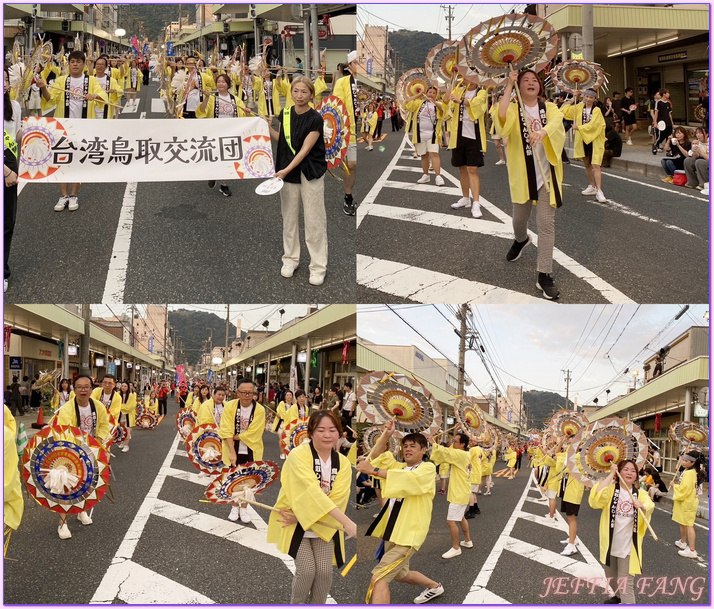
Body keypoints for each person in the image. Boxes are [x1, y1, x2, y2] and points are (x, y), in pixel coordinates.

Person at [266, 410, 356, 604]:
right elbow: (308, 492)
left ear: (339, 433)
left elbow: (338, 499)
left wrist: (303, 515)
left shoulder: (343, 463)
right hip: (295, 523)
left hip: (323, 526)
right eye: (321, 429)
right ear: (311, 432)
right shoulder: (298, 456)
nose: (327, 435)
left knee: (324, 573)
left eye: (332, 430)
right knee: (306, 571)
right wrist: (346, 522)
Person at [495, 70, 565, 301]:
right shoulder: (515, 108)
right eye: (525, 80)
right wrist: (509, 84)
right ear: (520, 86)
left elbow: (557, 123)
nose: (531, 83)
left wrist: (542, 132)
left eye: (534, 80)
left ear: (540, 87)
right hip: (523, 175)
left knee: (546, 225)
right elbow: (502, 116)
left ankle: (544, 274)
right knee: (519, 219)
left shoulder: (549, 109)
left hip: (546, 176)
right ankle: (521, 239)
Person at [357, 420, 442, 604]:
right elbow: (376, 456)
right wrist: (386, 435)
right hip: (393, 532)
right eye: (405, 446)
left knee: (379, 578)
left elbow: (409, 479)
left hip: (408, 535)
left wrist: (374, 470)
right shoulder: (399, 467)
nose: (408, 449)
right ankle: (435, 587)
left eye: (413, 446)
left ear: (423, 450)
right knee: (400, 574)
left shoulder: (427, 469)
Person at [267, 75, 328, 287]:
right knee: (289, 219)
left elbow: (304, 150)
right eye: (295, 91)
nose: (299, 95)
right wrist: (267, 128)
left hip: (309, 171)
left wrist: (284, 171)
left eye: (304, 91)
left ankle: (318, 266)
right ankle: (290, 259)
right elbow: (283, 141)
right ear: (290, 93)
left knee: (314, 221)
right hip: (287, 171)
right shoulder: (285, 113)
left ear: (311, 94)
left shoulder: (316, 118)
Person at [37, 50, 109, 212]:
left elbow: (102, 95)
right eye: (72, 62)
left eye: (78, 61)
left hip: (83, 126)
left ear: (84, 65)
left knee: (78, 160)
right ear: (68, 64)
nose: (75, 64)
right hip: (63, 126)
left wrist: (94, 97)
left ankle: (74, 194)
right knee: (62, 160)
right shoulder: (62, 81)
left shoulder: (91, 81)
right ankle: (63, 195)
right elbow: (50, 99)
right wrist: (43, 88)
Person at [588, 460, 654, 604]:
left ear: (637, 475)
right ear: (619, 472)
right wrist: (611, 473)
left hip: (628, 548)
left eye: (633, 470)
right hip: (610, 544)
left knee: (626, 586)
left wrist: (642, 506)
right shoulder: (611, 490)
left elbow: (650, 504)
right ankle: (618, 598)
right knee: (611, 577)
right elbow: (595, 498)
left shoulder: (640, 493)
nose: (630, 473)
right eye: (626, 469)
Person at [54, 374, 111, 539]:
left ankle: (81, 511)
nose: (83, 390)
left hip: (91, 450)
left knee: (87, 483)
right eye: (79, 387)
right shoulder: (67, 408)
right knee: (65, 486)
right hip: (70, 451)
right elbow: (64, 431)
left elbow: (103, 425)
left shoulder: (98, 406)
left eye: (87, 386)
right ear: (75, 389)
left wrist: (98, 442)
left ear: (92, 389)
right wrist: (77, 447)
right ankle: (62, 523)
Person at [218, 378, 266, 523]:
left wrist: (234, 436)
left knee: (249, 481)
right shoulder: (230, 406)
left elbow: (254, 433)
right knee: (233, 479)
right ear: (237, 393)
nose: (247, 396)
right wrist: (232, 451)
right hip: (232, 448)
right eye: (244, 392)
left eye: (250, 393)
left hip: (252, 449)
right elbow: (225, 429)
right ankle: (234, 507)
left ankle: (244, 508)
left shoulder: (259, 409)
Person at [198, 73, 248, 196]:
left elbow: (243, 116)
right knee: (215, 156)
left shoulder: (236, 100)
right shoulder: (212, 98)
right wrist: (206, 98)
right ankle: (213, 173)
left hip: (231, 133)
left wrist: (246, 111)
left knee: (228, 159)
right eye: (219, 81)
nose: (221, 83)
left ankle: (224, 185)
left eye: (223, 82)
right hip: (215, 131)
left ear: (228, 85)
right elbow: (202, 111)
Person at [446, 81, 488, 218]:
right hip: (459, 134)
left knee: (472, 169)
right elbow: (447, 102)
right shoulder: (458, 90)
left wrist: (461, 101)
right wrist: (451, 85)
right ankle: (465, 198)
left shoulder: (482, 92)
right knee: (462, 167)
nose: (470, 79)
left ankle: (476, 202)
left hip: (474, 136)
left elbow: (478, 106)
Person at [428, 432, 472, 558]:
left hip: (459, 492)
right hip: (462, 490)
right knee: (461, 517)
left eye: (456, 441)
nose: (453, 443)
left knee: (451, 521)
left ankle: (456, 547)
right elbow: (449, 452)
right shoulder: (465, 453)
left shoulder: (460, 454)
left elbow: (446, 452)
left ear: (463, 444)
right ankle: (468, 540)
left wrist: (433, 443)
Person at [562, 89, 607, 202]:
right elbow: (563, 111)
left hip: (594, 140)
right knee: (587, 164)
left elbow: (595, 125)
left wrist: (579, 128)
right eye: (586, 96)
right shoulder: (579, 108)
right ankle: (592, 186)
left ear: (594, 99)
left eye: (591, 97)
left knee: (596, 165)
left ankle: (599, 190)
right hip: (583, 140)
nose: (588, 99)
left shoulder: (596, 110)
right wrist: (573, 98)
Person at [332, 53, 358, 216]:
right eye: (356, 62)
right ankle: (348, 195)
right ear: (350, 65)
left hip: (365, 126)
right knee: (351, 165)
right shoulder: (342, 82)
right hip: (349, 129)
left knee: (356, 165)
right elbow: (337, 104)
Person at [404, 86, 445, 186]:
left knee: (434, 153)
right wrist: (418, 95)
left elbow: (444, 110)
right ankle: (426, 175)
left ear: (436, 95)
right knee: (423, 155)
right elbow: (407, 103)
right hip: (420, 134)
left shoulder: (438, 104)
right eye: (429, 92)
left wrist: (433, 102)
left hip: (433, 134)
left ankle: (438, 176)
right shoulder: (419, 103)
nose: (431, 94)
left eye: (434, 93)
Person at [4, 67, 21, 293]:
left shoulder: (14, 106)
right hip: (5, 169)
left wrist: (34, 130)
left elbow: (15, 136)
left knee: (7, 223)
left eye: (5, 79)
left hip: (10, 160)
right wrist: (5, 172)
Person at [671, 450, 705, 559]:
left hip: (688, 502)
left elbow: (684, 490)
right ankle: (683, 542)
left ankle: (692, 550)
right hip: (687, 501)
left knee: (689, 525)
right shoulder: (688, 471)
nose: (684, 462)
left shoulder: (690, 473)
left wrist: (674, 486)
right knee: (683, 522)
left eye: (686, 461)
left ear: (692, 463)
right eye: (683, 460)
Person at [116, 381, 136, 453]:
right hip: (119, 414)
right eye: (122, 386)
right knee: (121, 429)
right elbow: (115, 404)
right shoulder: (117, 394)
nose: (123, 387)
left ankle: (126, 445)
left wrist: (121, 407)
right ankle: (122, 442)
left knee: (127, 429)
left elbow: (130, 407)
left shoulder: (131, 395)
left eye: (125, 386)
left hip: (128, 414)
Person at [652, 88, 673, 154]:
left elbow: (669, 113)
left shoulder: (668, 103)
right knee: (661, 136)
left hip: (668, 122)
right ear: (664, 94)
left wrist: (671, 122)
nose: (669, 94)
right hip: (661, 122)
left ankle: (668, 149)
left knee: (669, 136)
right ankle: (655, 145)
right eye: (667, 93)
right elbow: (656, 112)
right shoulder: (658, 102)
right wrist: (655, 122)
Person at [466, 441, 482, 518]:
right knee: (473, 492)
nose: (470, 442)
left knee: (470, 492)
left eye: (472, 441)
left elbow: (466, 458)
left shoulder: (472, 450)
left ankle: (471, 510)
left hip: (473, 473)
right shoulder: (480, 449)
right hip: (478, 472)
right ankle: (476, 508)